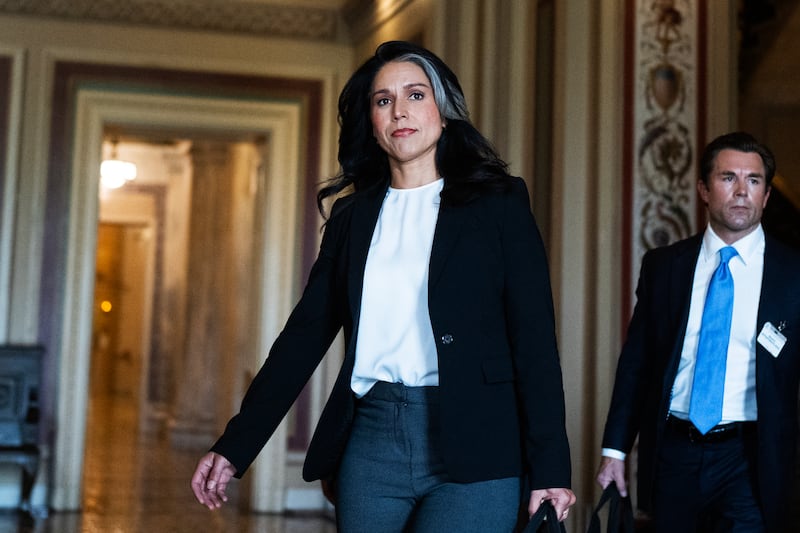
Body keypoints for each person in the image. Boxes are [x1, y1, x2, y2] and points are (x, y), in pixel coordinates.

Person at [190, 40, 575, 531]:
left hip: (479, 444)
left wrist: (551, 469)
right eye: (383, 100)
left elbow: (535, 342)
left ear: (442, 108)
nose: (400, 112)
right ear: (371, 121)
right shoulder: (353, 218)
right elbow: (301, 340)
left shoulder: (498, 204)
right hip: (371, 442)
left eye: (416, 95)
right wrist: (233, 446)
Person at [596, 131, 800, 532]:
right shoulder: (665, 266)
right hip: (675, 452)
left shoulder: (793, 273)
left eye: (754, 181)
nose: (742, 191)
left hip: (751, 457)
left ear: (766, 196)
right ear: (705, 190)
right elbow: (637, 364)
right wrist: (614, 451)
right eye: (728, 178)